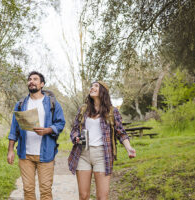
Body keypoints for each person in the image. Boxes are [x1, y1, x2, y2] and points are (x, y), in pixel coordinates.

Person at [68, 81, 136, 200]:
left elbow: (121, 132)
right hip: (83, 154)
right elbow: (74, 129)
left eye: (96, 86)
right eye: (91, 86)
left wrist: (128, 148)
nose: (92, 88)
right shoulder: (83, 109)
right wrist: (76, 137)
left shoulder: (112, 111)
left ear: (103, 91)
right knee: (83, 196)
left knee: (102, 197)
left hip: (102, 155)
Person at [7, 71, 66, 200]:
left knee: (45, 190)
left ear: (42, 84)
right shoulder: (21, 104)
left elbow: (61, 123)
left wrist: (48, 130)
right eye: (29, 79)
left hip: (46, 153)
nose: (31, 81)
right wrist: (10, 150)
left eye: (35, 79)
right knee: (28, 190)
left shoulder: (52, 103)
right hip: (25, 154)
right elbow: (14, 128)